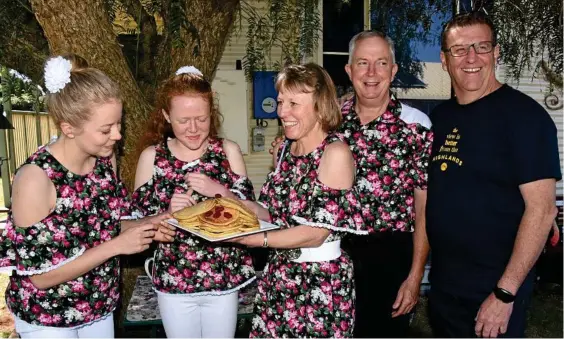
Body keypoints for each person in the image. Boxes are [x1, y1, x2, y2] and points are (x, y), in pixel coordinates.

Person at [0, 54, 172, 338]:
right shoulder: (35, 179)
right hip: (48, 316)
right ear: (68, 128)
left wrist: (153, 224)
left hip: (99, 308)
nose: (117, 135)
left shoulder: (105, 159)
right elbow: (41, 277)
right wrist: (118, 246)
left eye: (119, 124)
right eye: (106, 129)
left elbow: (104, 226)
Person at [426, 11, 562, 338]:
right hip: (444, 289)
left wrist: (504, 293)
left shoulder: (525, 118)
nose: (471, 58)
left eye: (481, 46)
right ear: (445, 60)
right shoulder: (441, 118)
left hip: (494, 290)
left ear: (496, 52)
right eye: (459, 49)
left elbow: (542, 211)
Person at [226, 63, 366, 338]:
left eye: (293, 103)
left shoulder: (335, 153)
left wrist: (255, 240)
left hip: (320, 284)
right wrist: (229, 205)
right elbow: (269, 212)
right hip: (278, 275)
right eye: (280, 102)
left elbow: (315, 233)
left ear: (320, 106)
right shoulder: (285, 150)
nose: (282, 112)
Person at [131, 65, 257, 338]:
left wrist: (219, 191)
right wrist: (167, 213)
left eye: (201, 119)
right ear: (166, 115)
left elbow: (251, 219)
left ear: (211, 113)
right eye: (183, 120)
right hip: (174, 281)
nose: (193, 128)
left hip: (223, 278)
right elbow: (134, 225)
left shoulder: (228, 151)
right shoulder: (151, 157)